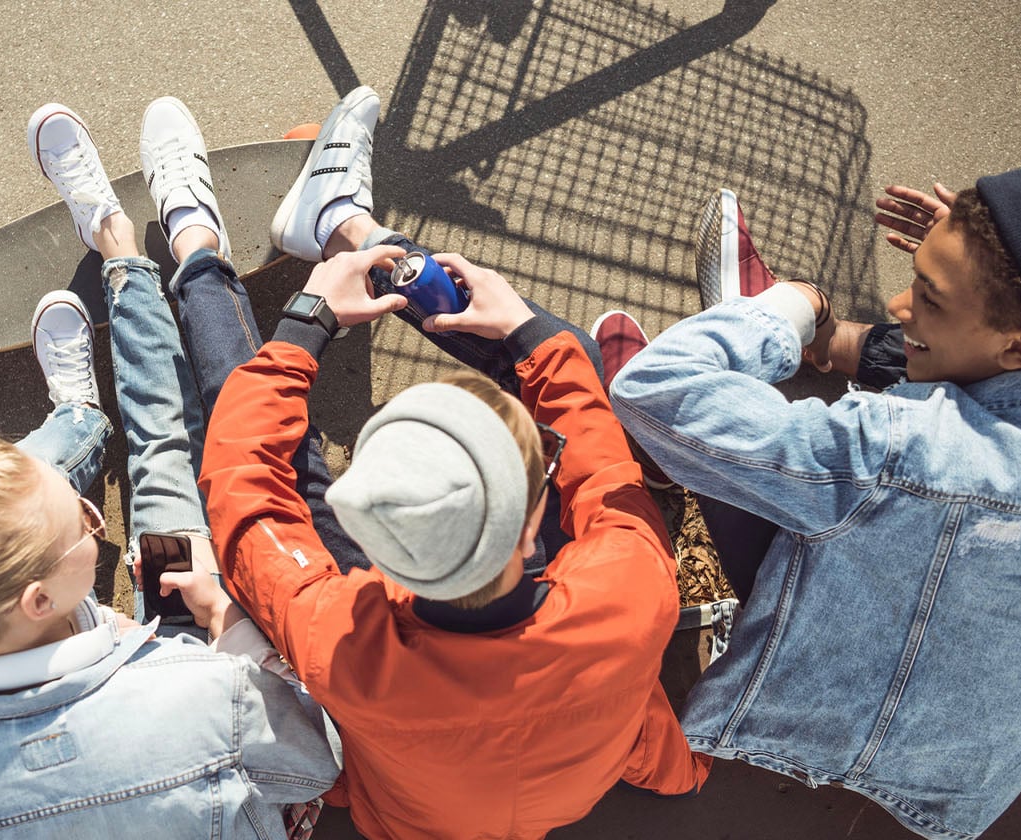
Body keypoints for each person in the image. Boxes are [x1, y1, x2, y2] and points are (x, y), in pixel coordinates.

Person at [173, 86, 708, 839]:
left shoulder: (341, 641)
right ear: (534, 528)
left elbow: (246, 491)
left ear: (375, 558)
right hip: (568, 787)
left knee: (279, 466)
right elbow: (601, 464)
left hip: (404, 815)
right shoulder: (630, 591)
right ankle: (326, 230)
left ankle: (208, 248)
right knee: (579, 369)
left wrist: (304, 326)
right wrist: (533, 335)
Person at [607, 147, 1021, 840]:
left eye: (930, 295)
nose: (898, 299)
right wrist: (986, 268)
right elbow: (987, 360)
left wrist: (793, 304)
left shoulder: (901, 450)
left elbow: (651, 388)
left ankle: (768, 340)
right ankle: (829, 344)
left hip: (886, 736)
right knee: (945, 366)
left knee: (786, 482)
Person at [0, 98, 341, 839]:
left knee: (162, 465)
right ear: (33, 599)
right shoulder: (201, 692)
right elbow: (318, 762)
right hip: (179, 642)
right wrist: (237, 636)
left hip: (120, 654)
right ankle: (129, 253)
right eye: (79, 521)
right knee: (161, 459)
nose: (94, 515)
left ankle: (114, 263)